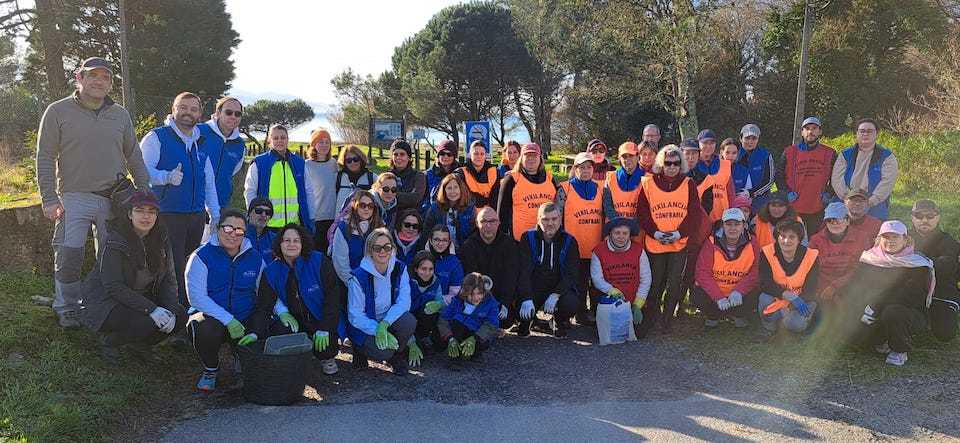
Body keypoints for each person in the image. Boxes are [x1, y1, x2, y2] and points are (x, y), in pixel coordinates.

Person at [36, 56, 151, 328]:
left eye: (106, 77)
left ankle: (97, 303)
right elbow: (44, 156)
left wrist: (145, 193)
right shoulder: (57, 111)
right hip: (73, 198)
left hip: (114, 199)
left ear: (110, 84)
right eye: (93, 76)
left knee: (108, 259)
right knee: (69, 254)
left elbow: (134, 155)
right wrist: (49, 198)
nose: (99, 81)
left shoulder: (120, 115)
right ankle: (67, 307)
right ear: (80, 78)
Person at [80, 191, 187, 364]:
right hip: (107, 302)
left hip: (141, 297)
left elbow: (169, 279)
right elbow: (113, 286)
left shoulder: (161, 237)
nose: (146, 216)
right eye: (140, 210)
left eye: (152, 212)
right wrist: (152, 309)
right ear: (130, 214)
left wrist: (171, 310)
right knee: (147, 320)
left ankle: (141, 344)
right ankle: (111, 342)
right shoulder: (115, 241)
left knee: (180, 315)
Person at [141, 92, 221, 307]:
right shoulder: (157, 137)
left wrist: (215, 213)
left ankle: (187, 306)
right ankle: (170, 309)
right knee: (170, 265)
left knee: (190, 264)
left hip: (195, 215)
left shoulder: (201, 142)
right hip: (167, 213)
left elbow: (209, 182)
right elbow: (141, 171)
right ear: (173, 109)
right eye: (183, 107)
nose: (188, 113)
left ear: (200, 114)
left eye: (194, 109)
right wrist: (165, 176)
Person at [186, 209, 275, 392]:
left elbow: (266, 291)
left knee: (264, 327)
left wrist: (282, 312)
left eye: (239, 230)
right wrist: (228, 319)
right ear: (218, 229)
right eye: (228, 228)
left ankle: (240, 356)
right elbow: (196, 297)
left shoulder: (255, 258)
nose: (233, 234)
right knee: (204, 328)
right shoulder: (200, 256)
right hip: (212, 318)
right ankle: (210, 369)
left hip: (244, 318)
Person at [843, 221, 934, 366]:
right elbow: (858, 287)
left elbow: (909, 296)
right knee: (856, 342)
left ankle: (900, 349)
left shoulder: (917, 264)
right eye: (886, 237)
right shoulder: (869, 259)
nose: (890, 241)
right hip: (872, 311)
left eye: (895, 237)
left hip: (906, 312)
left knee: (892, 312)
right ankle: (882, 339)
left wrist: (875, 306)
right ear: (879, 239)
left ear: (905, 239)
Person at [636, 145, 702, 335]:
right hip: (656, 243)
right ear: (661, 164)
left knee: (674, 282)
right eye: (667, 163)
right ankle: (652, 316)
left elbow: (694, 214)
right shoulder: (648, 183)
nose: (672, 167)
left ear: (681, 164)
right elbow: (642, 213)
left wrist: (679, 233)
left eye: (676, 163)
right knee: (655, 282)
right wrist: (655, 232)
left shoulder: (688, 183)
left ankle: (667, 320)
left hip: (678, 244)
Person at [261, 223, 342, 375]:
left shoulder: (319, 261)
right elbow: (264, 304)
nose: (291, 244)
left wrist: (325, 327)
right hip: (294, 320)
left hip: (320, 319)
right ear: (280, 243)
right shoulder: (271, 271)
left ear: (303, 243)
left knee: (327, 345)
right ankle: (294, 360)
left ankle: (327, 358)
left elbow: (332, 298)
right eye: (287, 240)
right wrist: (254, 332)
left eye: (296, 240)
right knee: (281, 329)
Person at [346, 228, 417, 375]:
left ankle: (396, 355)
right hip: (365, 325)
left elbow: (404, 302)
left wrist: (385, 324)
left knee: (409, 321)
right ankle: (360, 350)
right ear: (369, 251)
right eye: (377, 248)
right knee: (383, 352)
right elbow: (355, 315)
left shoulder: (400, 268)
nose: (382, 251)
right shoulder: (358, 277)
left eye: (387, 247)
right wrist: (376, 329)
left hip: (387, 320)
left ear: (392, 248)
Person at [516, 203, 581, 337]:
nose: (550, 223)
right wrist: (526, 297)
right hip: (535, 286)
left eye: (554, 219)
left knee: (571, 304)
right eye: (545, 219)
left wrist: (556, 294)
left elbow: (571, 274)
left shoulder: (570, 240)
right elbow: (523, 271)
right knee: (520, 309)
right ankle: (527, 321)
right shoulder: (527, 238)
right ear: (538, 219)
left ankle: (558, 320)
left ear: (560, 218)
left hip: (557, 287)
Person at [557, 152, 605, 325]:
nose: (585, 170)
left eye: (589, 167)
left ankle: (595, 311)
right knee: (578, 282)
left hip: (596, 246)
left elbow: (608, 214)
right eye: (581, 167)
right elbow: (557, 216)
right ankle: (578, 313)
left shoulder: (601, 188)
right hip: (573, 247)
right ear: (574, 169)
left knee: (596, 282)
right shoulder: (565, 188)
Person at [693, 208, 759, 328]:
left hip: (739, 294)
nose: (732, 228)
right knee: (698, 294)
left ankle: (739, 315)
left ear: (744, 225)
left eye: (737, 224)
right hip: (716, 294)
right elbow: (702, 273)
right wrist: (718, 297)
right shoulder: (711, 242)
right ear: (722, 225)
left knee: (757, 292)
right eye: (728, 224)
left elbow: (756, 272)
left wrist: (739, 290)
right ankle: (713, 315)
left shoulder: (753, 243)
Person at [459, 207, 523, 326]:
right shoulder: (468, 246)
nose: (488, 225)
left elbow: (511, 276)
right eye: (483, 221)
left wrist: (505, 303)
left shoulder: (509, 244)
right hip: (478, 297)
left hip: (501, 296)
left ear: (498, 223)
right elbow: (470, 278)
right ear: (477, 224)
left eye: (492, 221)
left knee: (505, 321)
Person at [243, 124, 311, 232]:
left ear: (288, 139)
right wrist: (255, 218)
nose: (280, 141)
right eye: (275, 138)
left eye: (283, 137)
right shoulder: (259, 163)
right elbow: (250, 191)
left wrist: (310, 218)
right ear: (270, 140)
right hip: (267, 227)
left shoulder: (300, 163)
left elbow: (309, 192)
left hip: (294, 226)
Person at [757, 220, 819, 337]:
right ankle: (769, 326)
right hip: (777, 297)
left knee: (795, 325)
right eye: (783, 236)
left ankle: (794, 320)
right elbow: (764, 283)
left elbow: (812, 287)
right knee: (764, 299)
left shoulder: (811, 255)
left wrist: (792, 304)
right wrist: (787, 295)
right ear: (777, 237)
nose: (786, 241)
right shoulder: (767, 252)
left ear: (799, 239)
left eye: (792, 237)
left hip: (802, 299)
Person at [909, 200, 959, 342]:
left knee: (945, 335)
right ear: (912, 217)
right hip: (911, 290)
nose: (924, 220)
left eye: (930, 216)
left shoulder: (949, 241)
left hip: (941, 291)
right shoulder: (903, 237)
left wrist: (914, 262)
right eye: (919, 215)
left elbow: (947, 267)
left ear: (938, 217)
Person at [590, 218, 652, 332]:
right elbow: (597, 279)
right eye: (617, 233)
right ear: (610, 234)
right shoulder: (598, 251)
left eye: (625, 233)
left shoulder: (639, 250)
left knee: (640, 333)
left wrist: (638, 304)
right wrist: (611, 291)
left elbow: (646, 278)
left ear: (630, 234)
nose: (621, 237)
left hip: (633, 300)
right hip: (609, 300)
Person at [776, 117, 837, 231]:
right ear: (802, 132)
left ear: (820, 131)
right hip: (794, 207)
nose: (810, 132)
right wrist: (786, 193)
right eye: (807, 128)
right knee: (794, 240)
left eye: (814, 128)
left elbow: (836, 177)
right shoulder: (789, 152)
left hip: (818, 207)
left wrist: (829, 192)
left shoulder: (829, 153)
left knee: (814, 242)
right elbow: (779, 176)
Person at [831, 118, 898, 220]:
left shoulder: (887, 157)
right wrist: (847, 199)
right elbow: (836, 179)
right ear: (856, 133)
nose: (865, 134)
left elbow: (887, 183)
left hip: (874, 205)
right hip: (845, 202)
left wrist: (870, 202)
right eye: (862, 131)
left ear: (877, 134)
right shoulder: (845, 155)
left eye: (870, 131)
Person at [496, 142, 561, 241]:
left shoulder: (550, 178)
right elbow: (502, 213)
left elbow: (560, 205)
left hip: (547, 236)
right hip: (521, 239)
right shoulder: (511, 179)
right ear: (521, 159)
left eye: (534, 155)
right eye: (527, 155)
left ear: (540, 158)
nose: (531, 159)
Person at [808, 203, 862, 306]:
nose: (834, 223)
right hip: (822, 286)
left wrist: (835, 286)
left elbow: (861, 268)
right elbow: (811, 268)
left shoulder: (861, 238)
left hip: (850, 284)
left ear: (847, 221)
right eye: (830, 220)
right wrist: (823, 289)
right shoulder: (816, 240)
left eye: (839, 220)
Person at [438, 273, 500, 361]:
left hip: (477, 334)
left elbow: (492, 324)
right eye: (472, 294)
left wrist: (475, 338)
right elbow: (443, 318)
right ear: (465, 292)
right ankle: (455, 354)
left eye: (479, 293)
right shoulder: (458, 300)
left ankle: (474, 352)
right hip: (458, 333)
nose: (476, 297)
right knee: (455, 324)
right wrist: (450, 338)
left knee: (484, 340)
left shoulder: (490, 303)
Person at [198, 96, 246, 209]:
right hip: (193, 204)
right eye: (228, 112)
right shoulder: (198, 131)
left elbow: (233, 171)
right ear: (218, 113)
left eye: (237, 114)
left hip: (221, 205)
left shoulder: (240, 145)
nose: (233, 117)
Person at [331, 190, 385, 284]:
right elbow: (340, 263)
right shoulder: (344, 229)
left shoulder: (380, 228)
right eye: (362, 205)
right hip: (351, 281)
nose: (367, 209)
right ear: (355, 205)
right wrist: (353, 283)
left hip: (376, 281)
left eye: (370, 206)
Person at [304, 128, 339, 252]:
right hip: (315, 217)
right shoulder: (307, 165)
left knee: (330, 252)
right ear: (314, 144)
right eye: (320, 142)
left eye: (327, 142)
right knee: (316, 252)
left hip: (333, 216)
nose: (324, 145)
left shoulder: (334, 163)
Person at [423, 174, 476, 249]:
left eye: (455, 187)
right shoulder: (435, 209)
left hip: (463, 251)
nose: (453, 191)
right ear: (444, 191)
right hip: (440, 250)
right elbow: (426, 233)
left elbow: (473, 235)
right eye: (449, 188)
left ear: (461, 189)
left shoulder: (469, 209)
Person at [407, 251, 446, 355]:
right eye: (423, 269)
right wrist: (411, 341)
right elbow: (400, 312)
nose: (427, 273)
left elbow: (441, 301)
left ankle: (425, 338)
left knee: (441, 346)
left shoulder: (436, 281)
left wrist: (439, 304)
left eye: (431, 269)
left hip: (424, 320)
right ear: (416, 269)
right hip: (407, 321)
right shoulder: (407, 282)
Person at [601, 142, 644, 235]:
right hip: (614, 231)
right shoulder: (610, 177)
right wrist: (620, 225)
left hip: (637, 231)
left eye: (631, 156)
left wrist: (631, 225)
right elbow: (607, 205)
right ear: (619, 159)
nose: (628, 159)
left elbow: (646, 209)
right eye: (624, 156)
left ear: (637, 157)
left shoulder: (647, 179)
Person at [695, 130, 735, 222]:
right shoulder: (693, 165)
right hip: (699, 218)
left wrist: (731, 215)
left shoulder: (725, 165)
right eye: (705, 143)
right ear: (698, 144)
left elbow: (731, 193)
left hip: (722, 218)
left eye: (712, 143)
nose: (708, 146)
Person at [736, 124, 776, 211]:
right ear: (741, 138)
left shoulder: (765, 155)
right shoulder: (734, 154)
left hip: (760, 201)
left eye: (754, 138)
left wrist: (751, 193)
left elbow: (770, 181)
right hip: (737, 200)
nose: (750, 142)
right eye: (747, 138)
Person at [332, 144, 377, 215]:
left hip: (364, 223)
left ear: (361, 159)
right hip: (342, 223)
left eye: (355, 159)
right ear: (344, 162)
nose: (352, 163)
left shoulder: (372, 178)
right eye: (348, 160)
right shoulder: (338, 178)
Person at [456, 140, 501, 209]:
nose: (479, 156)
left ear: (485, 155)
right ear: (470, 155)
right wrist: (485, 200)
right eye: (476, 154)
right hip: (468, 216)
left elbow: (496, 199)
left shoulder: (494, 172)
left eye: (482, 154)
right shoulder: (461, 172)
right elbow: (464, 197)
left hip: (488, 216)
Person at [425, 225, 465, 300]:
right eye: (437, 239)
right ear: (430, 240)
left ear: (449, 242)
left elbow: (456, 293)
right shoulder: (421, 259)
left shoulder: (454, 263)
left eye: (444, 240)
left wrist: (440, 303)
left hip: (445, 307)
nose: (440, 244)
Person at [388, 138, 427, 211]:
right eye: (395, 154)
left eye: (402, 154)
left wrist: (391, 195)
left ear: (409, 158)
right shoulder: (386, 175)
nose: (398, 157)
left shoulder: (419, 176)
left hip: (412, 217)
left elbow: (415, 198)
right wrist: (407, 195)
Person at [425, 140, 460, 206]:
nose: (445, 156)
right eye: (442, 153)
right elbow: (424, 200)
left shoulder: (460, 174)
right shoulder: (427, 175)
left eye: (449, 154)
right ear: (438, 155)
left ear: (454, 157)